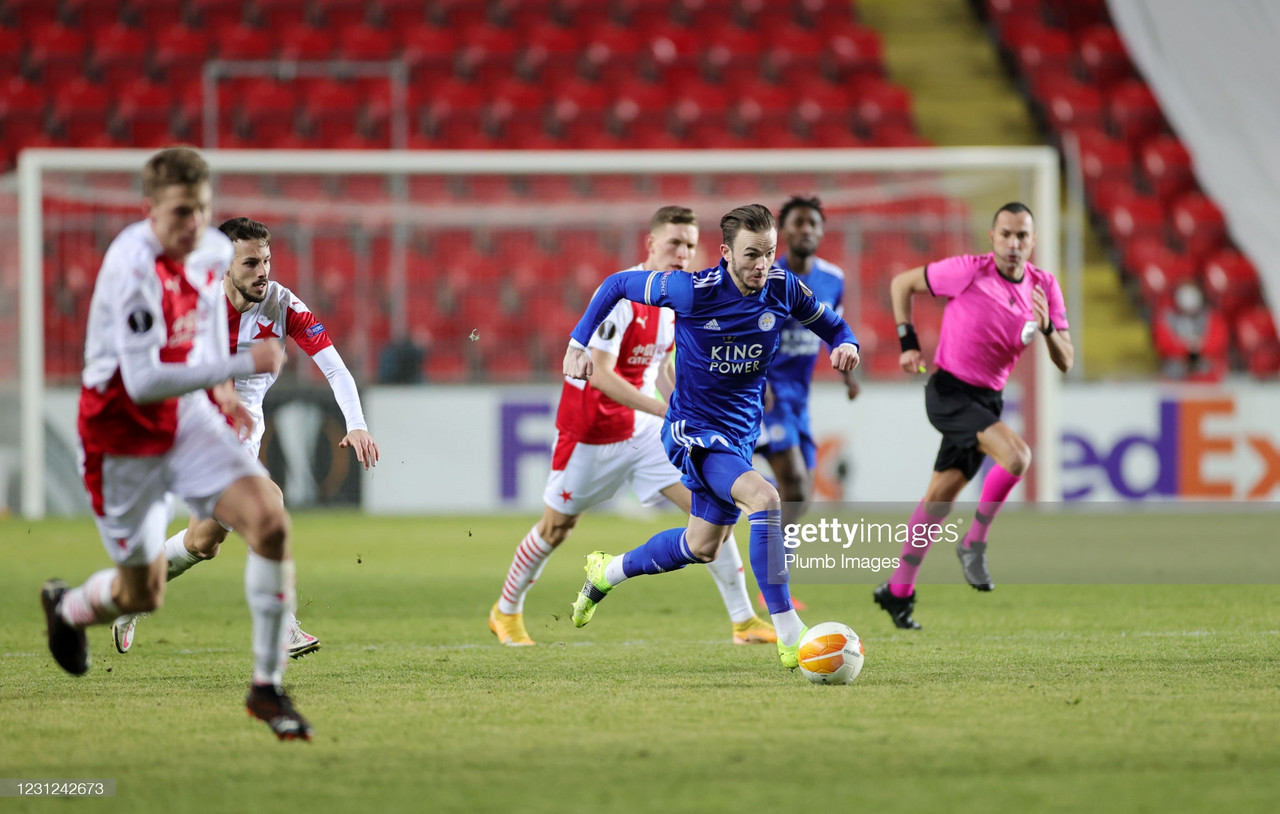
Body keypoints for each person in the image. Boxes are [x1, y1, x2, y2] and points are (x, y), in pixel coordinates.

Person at [40, 148, 312, 740]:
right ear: (150, 211)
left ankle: (267, 689)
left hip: (187, 419)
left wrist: (223, 389)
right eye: (181, 213)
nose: (193, 225)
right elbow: (142, 382)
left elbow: (208, 324)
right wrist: (242, 362)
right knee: (142, 592)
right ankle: (68, 609)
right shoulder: (130, 271)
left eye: (202, 210)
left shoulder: (213, 250)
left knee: (268, 516)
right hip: (122, 436)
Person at [562, 204, 861, 669]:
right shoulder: (692, 291)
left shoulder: (781, 287)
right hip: (693, 431)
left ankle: (607, 571)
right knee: (764, 498)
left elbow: (833, 324)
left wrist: (846, 343)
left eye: (768, 253)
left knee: (703, 546)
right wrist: (578, 343)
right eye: (750, 255)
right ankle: (789, 634)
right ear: (724, 253)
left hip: (740, 435)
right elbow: (618, 284)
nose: (761, 265)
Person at [491, 206, 776, 647]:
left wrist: (685, 399)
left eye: (689, 244)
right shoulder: (626, 300)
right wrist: (669, 411)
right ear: (651, 244)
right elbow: (601, 375)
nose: (683, 253)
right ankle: (505, 611)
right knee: (556, 529)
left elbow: (662, 366)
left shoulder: (677, 297)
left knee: (712, 503)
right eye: (674, 243)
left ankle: (744, 620)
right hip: (590, 435)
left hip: (642, 433)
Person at [110, 217, 380, 658]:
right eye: (251, 262)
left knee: (204, 542)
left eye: (267, 261)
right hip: (196, 435)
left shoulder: (283, 305)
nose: (263, 271)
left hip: (243, 437)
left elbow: (334, 367)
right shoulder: (195, 307)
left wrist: (356, 422)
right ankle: (281, 624)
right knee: (268, 504)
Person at [875, 202, 1073, 630]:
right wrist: (907, 342)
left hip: (987, 402)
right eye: (1006, 234)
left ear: (1033, 241)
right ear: (992, 236)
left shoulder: (1045, 287)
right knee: (1017, 456)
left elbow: (1066, 360)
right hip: (949, 391)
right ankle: (975, 544)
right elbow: (901, 283)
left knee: (937, 501)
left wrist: (1048, 330)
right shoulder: (968, 270)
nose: (1013, 243)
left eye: (1022, 236)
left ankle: (897, 591)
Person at [757, 195, 859, 609]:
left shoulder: (833, 278)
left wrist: (849, 374)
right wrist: (757, 379)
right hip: (765, 396)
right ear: (784, 231)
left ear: (821, 230)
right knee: (795, 484)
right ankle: (771, 585)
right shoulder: (767, 275)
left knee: (801, 497)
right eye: (797, 223)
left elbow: (834, 328)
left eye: (812, 223)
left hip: (800, 401)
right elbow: (750, 329)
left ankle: (770, 563)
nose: (806, 230)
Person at [1152, 281, 1228, 381]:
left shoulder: (1212, 317)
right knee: (1174, 369)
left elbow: (1218, 341)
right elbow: (1163, 343)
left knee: (1207, 368)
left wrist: (1199, 347)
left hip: (1206, 366)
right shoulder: (1167, 318)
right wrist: (1186, 348)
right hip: (1176, 367)